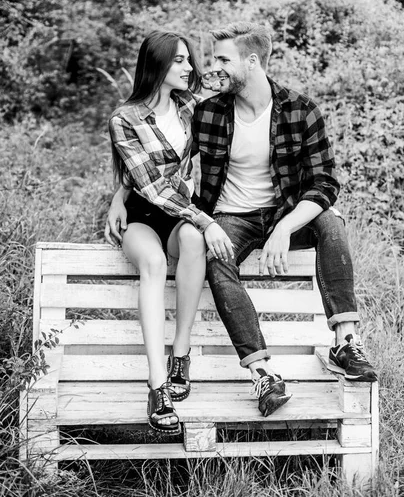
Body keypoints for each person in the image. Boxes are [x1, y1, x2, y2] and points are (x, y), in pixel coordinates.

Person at [106, 22, 377, 421]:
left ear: (252, 62)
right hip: (228, 217)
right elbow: (156, 168)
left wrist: (285, 227)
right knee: (215, 250)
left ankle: (346, 341)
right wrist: (121, 194)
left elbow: (325, 183)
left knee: (331, 222)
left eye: (222, 59)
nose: (212, 68)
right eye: (209, 60)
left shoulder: (299, 110)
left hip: (282, 214)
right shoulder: (208, 112)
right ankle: (262, 373)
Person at [107, 30, 233, 435]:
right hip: (141, 216)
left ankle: (182, 352)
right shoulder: (124, 118)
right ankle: (157, 383)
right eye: (179, 60)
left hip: (180, 214)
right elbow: (151, 183)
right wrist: (205, 218)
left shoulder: (190, 109)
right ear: (157, 64)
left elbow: (235, 92)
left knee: (193, 240)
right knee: (156, 262)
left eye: (188, 60)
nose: (189, 67)